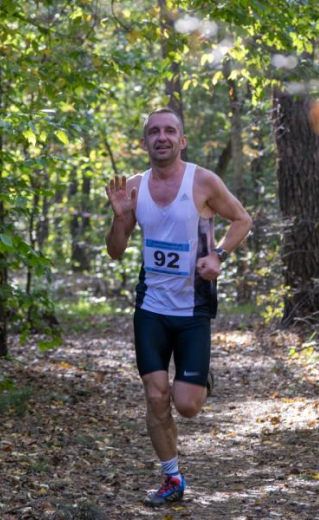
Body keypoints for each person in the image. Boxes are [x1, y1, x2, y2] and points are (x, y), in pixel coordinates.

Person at [104, 108, 253, 507]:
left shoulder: (201, 180)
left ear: (182, 140)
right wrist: (120, 218)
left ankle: (198, 376)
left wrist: (218, 254)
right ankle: (172, 478)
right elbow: (116, 251)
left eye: (170, 131)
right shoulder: (134, 187)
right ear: (144, 142)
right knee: (156, 397)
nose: (162, 137)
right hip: (151, 306)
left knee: (186, 406)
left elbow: (242, 219)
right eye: (154, 131)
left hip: (193, 308)